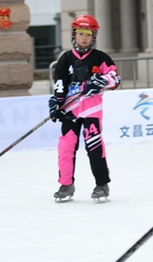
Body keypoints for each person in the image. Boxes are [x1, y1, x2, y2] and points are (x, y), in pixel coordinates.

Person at [49, 14, 121, 203]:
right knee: (66, 147)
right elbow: (59, 83)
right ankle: (66, 184)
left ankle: (101, 184)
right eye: (81, 33)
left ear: (93, 36)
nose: (84, 38)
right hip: (70, 110)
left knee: (94, 146)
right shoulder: (65, 59)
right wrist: (56, 103)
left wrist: (101, 81)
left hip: (91, 111)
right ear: (74, 34)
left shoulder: (100, 58)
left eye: (88, 34)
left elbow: (115, 79)